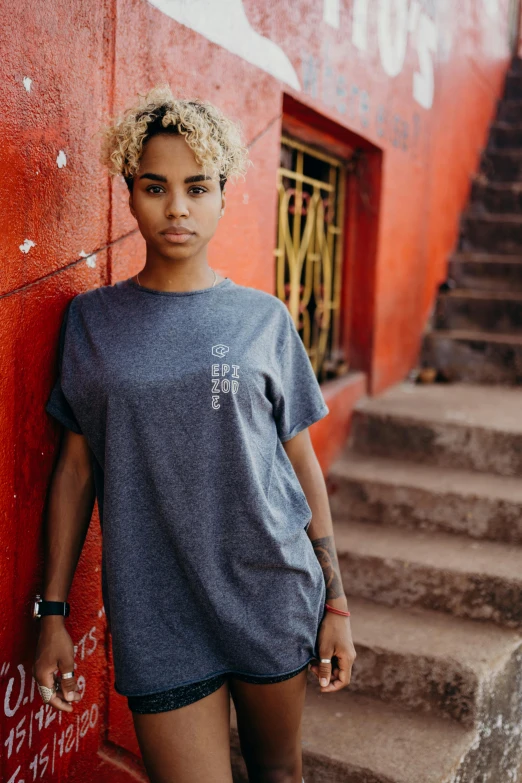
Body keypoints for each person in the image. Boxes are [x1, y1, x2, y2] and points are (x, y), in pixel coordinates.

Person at [33, 85, 356, 783]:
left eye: (197, 186)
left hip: (269, 591)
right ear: (129, 193)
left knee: (281, 773)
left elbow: (302, 466)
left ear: (221, 193)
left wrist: (335, 602)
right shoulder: (93, 322)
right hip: (157, 610)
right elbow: (75, 469)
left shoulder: (264, 319)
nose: (177, 207)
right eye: (155, 186)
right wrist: (52, 609)